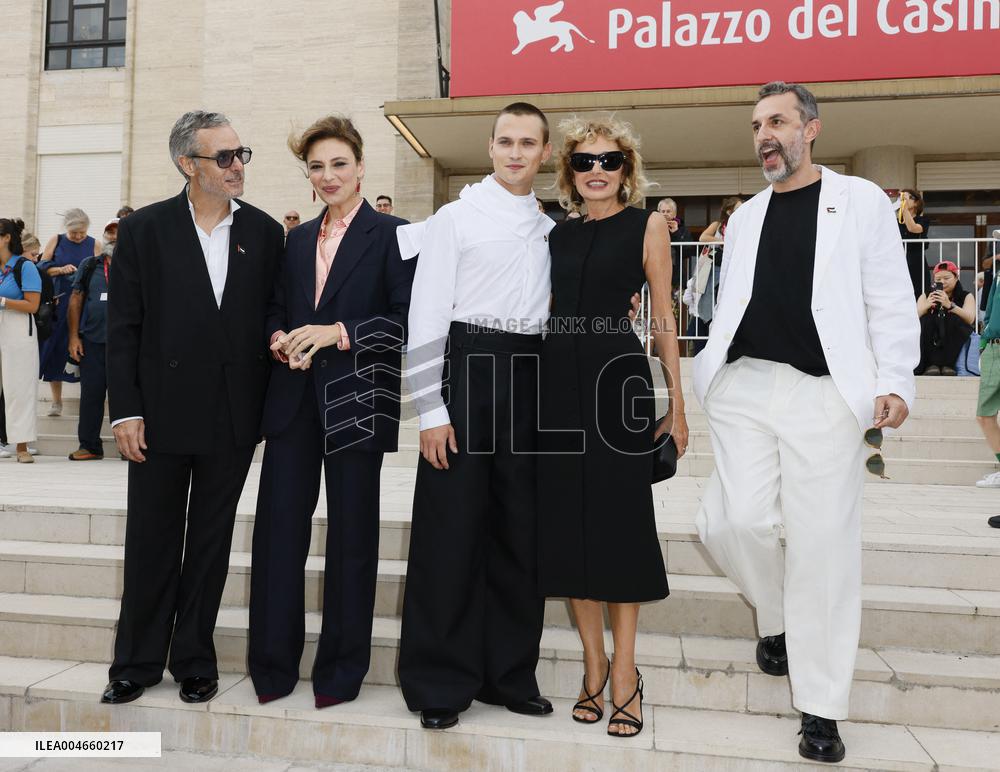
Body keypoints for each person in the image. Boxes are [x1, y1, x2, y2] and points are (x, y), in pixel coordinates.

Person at [692, 82, 919, 764]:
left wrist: (895, 380)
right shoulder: (749, 215)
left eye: (779, 121)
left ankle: (820, 707)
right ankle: (781, 618)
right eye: (758, 124)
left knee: (823, 549)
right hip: (746, 385)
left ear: (811, 129)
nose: (766, 134)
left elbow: (887, 294)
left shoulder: (861, 205)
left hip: (826, 395)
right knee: (729, 524)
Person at [101, 111, 283, 707]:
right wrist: (125, 410)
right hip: (157, 414)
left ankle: (194, 658)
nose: (237, 166)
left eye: (241, 154)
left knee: (210, 540)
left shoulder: (264, 231)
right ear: (188, 164)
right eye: (224, 157)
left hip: (232, 415)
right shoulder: (146, 230)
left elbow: (267, 316)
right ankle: (135, 661)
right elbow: (124, 328)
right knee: (151, 537)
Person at [396, 102, 557, 731]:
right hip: (466, 373)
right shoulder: (455, 219)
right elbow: (427, 317)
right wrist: (430, 410)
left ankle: (508, 675)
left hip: (530, 377)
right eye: (506, 142)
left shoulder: (549, 226)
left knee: (520, 534)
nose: (516, 153)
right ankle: (439, 680)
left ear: (544, 153)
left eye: (529, 143)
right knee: (451, 532)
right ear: (490, 148)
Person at [248, 116, 415, 708]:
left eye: (339, 164)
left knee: (351, 540)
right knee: (277, 538)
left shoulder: (395, 235)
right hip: (292, 404)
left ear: (361, 167)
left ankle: (341, 673)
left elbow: (404, 321)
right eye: (317, 167)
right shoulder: (293, 240)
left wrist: (336, 332)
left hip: (357, 402)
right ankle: (271, 668)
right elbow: (273, 307)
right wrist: (276, 336)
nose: (327, 176)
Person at [538, 117, 688, 738]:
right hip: (555, 388)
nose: (596, 171)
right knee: (570, 527)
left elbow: (662, 318)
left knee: (620, 527)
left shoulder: (647, 224)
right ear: (570, 173)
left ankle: (625, 671)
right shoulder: (556, 233)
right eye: (583, 162)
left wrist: (678, 404)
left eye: (608, 161)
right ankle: (592, 665)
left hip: (618, 383)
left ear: (626, 169)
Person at [39, 208, 101, 417]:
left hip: (85, 305)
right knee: (56, 350)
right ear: (67, 229)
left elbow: (102, 272)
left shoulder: (94, 244)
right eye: (75, 233)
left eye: (82, 233)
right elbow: (41, 267)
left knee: (85, 352)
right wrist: (60, 269)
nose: (79, 237)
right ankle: (57, 401)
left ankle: (88, 401)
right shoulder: (56, 240)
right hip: (59, 303)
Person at [66, 219, 119, 460]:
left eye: (119, 233)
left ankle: (130, 447)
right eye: (110, 233)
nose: (113, 237)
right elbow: (75, 301)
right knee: (91, 395)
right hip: (93, 341)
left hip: (128, 345)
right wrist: (74, 337)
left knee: (127, 397)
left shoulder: (139, 264)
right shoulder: (89, 265)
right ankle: (89, 446)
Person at [0, 218, 42, 464]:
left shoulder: (24, 266)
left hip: (17, 327)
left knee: (19, 387)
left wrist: (3, 302)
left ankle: (22, 446)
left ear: (6, 238)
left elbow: (33, 305)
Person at [915, 261, 975, 376]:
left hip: (953, 338)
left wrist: (950, 305)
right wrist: (927, 305)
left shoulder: (966, 295)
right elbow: (915, 316)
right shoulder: (926, 295)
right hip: (931, 339)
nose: (942, 282)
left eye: (946, 278)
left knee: (953, 320)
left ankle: (948, 365)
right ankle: (931, 365)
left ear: (956, 277)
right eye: (938, 280)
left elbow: (970, 318)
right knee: (926, 320)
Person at [899, 189, 931, 297]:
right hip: (900, 260)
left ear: (917, 203)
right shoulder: (896, 221)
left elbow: (913, 228)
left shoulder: (923, 220)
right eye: (902, 198)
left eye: (908, 198)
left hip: (917, 261)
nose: (905, 200)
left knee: (919, 292)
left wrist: (905, 210)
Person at [656, 197, 692, 288]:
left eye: (668, 211)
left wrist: (676, 233)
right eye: (662, 211)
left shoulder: (682, 229)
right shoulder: (653, 228)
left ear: (674, 213)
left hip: (677, 275)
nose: (665, 214)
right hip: (656, 272)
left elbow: (687, 252)